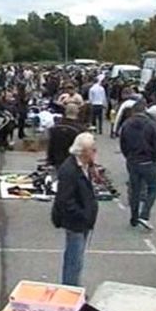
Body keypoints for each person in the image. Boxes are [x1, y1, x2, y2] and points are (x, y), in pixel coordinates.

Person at [51, 133, 99, 286]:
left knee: (77, 259)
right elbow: (64, 200)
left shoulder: (84, 165)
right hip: (75, 222)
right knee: (74, 260)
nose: (95, 152)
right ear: (83, 151)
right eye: (93, 149)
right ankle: (70, 291)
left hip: (83, 221)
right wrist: (83, 215)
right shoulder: (69, 170)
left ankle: (74, 288)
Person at [120, 101, 156, 230]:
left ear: (133, 111)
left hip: (132, 161)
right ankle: (145, 214)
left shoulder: (126, 125)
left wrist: (128, 157)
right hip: (148, 161)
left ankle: (134, 217)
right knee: (152, 188)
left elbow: (123, 144)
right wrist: (154, 159)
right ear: (144, 110)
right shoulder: (151, 125)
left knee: (135, 190)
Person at [47, 104, 85, 169]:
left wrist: (50, 159)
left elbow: (51, 145)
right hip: (73, 162)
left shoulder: (55, 127)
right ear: (77, 112)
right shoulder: (80, 129)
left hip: (57, 160)